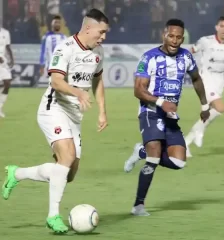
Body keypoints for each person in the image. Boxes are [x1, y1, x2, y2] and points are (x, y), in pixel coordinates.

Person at [2, 9, 109, 233]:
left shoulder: (98, 52)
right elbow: (57, 81)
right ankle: (53, 216)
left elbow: (98, 81)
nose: (103, 37)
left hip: (74, 117)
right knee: (67, 156)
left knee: (67, 173)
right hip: (53, 108)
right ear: (88, 28)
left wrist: (102, 111)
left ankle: (17, 173)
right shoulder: (65, 48)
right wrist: (78, 93)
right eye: (101, 32)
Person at [123, 18, 210, 216]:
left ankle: (141, 152)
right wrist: (161, 102)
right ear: (164, 34)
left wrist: (205, 105)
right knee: (155, 154)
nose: (174, 40)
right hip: (150, 112)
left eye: (179, 37)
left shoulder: (186, 57)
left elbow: (196, 79)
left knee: (179, 162)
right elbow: (138, 90)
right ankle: (138, 205)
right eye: (171, 36)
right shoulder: (150, 57)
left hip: (170, 116)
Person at [184, 15, 224, 157]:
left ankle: (185, 143)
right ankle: (198, 132)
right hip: (204, 78)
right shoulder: (206, 41)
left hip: (219, 82)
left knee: (208, 114)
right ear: (217, 27)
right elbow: (191, 50)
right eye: (221, 26)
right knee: (220, 107)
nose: (223, 29)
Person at [0, 25, 14, 118]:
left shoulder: (5, 32)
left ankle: (0, 107)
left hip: (3, 62)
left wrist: (12, 59)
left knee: (7, 83)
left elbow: (8, 46)